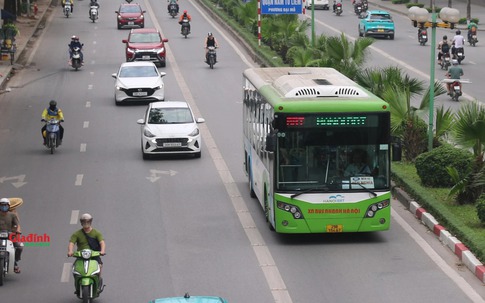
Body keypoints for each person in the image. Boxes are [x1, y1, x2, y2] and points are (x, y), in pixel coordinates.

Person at [0, 198, 22, 274]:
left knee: (19, 247)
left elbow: (17, 225)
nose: (3, 207)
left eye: (5, 205)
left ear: (8, 206)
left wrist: (17, 231)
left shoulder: (12, 215)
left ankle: (15, 262)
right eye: (2, 205)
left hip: (9, 235)